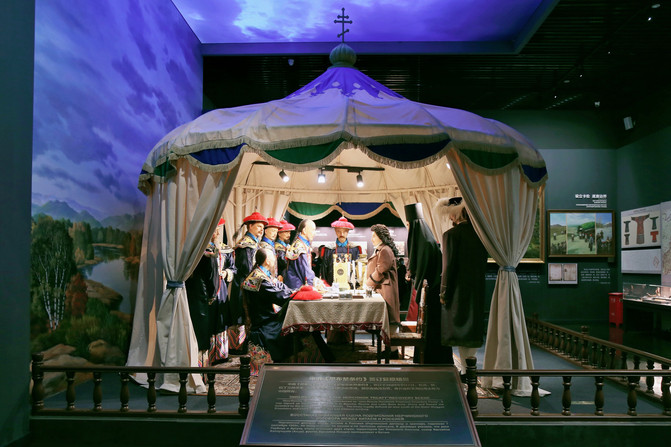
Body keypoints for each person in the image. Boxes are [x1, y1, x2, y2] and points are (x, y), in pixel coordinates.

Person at [437, 197, 488, 374]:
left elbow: (448, 267)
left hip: (457, 291)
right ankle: (469, 367)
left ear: (455, 214)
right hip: (477, 289)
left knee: (459, 332)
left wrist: (443, 292)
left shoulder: (451, 235)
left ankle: (466, 370)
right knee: (471, 331)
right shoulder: (480, 235)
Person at [405, 202, 453, 365]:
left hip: (432, 296)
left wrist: (414, 278)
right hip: (431, 295)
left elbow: (424, 274)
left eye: (408, 225)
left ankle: (432, 361)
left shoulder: (425, 243)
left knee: (432, 331)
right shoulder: (425, 240)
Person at [242, 247, 296, 362]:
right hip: (264, 322)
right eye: (273, 258)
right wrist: (296, 294)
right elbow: (279, 297)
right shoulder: (258, 279)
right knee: (294, 323)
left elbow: (280, 287)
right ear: (267, 261)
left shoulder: (262, 274)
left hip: (268, 317)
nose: (275, 260)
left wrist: (293, 292)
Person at [228, 211, 268, 353]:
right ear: (250, 226)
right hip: (244, 286)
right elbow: (247, 270)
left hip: (249, 284)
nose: (261, 230)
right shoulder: (246, 245)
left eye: (263, 227)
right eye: (259, 226)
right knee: (245, 315)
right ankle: (242, 348)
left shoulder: (254, 243)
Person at [184, 227, 220, 367]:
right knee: (201, 331)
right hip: (201, 293)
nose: (217, 233)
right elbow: (211, 275)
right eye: (215, 230)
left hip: (188, 291)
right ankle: (200, 368)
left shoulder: (190, 247)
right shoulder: (208, 250)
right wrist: (212, 294)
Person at [365, 224, 401, 341]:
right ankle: (389, 346)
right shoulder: (382, 249)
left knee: (389, 320)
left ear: (380, 236)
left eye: (374, 236)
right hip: (382, 289)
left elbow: (381, 269)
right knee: (385, 320)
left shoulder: (385, 250)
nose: (372, 239)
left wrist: (368, 283)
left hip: (386, 290)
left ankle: (392, 348)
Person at [209, 218, 236, 364]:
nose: (218, 233)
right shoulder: (203, 249)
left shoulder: (225, 249)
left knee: (222, 319)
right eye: (215, 229)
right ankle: (210, 354)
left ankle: (221, 353)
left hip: (221, 288)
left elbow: (233, 268)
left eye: (219, 229)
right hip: (209, 289)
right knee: (211, 319)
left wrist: (226, 272)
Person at [319, 216, 362, 288]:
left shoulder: (354, 249)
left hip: (350, 286)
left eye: (344, 231)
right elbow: (324, 270)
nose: (342, 234)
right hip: (332, 285)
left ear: (348, 232)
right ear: (335, 231)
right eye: (339, 231)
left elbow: (357, 270)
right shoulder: (329, 249)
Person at [285, 219, 319, 290]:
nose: (314, 233)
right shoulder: (300, 247)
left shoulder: (302, 244)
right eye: (313, 230)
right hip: (297, 286)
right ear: (304, 231)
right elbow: (305, 271)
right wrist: (315, 282)